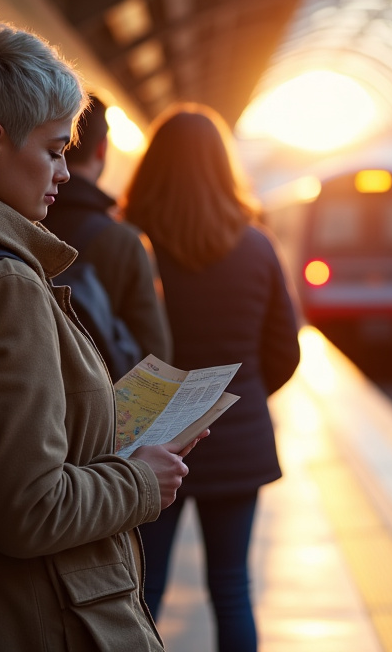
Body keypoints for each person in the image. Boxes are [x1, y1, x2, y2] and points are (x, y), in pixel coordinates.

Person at [0, 16, 195, 650]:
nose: (64, 172)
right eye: (54, 150)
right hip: (41, 621)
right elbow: (28, 507)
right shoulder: (2, 283)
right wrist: (143, 480)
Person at [124, 105, 301, 652]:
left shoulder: (132, 243)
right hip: (238, 439)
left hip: (153, 441)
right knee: (230, 588)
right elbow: (285, 351)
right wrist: (236, 401)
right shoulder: (257, 246)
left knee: (143, 592)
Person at [43, 94, 172, 367]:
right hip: (105, 405)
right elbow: (156, 357)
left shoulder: (18, 224)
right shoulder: (124, 242)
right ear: (102, 149)